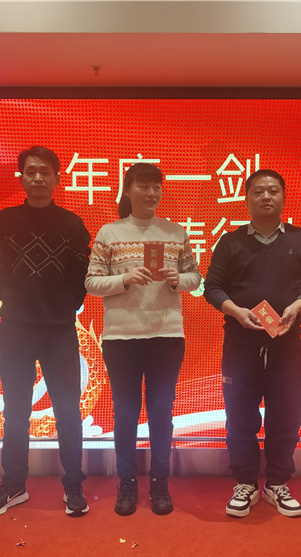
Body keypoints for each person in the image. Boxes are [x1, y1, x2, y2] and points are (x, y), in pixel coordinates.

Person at [203, 169, 301, 518]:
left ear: (283, 198)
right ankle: (245, 482)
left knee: (286, 417)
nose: (266, 197)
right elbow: (212, 287)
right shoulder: (230, 242)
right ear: (246, 199)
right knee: (239, 418)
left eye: (273, 191)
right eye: (258, 191)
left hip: (286, 347)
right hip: (240, 347)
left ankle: (276, 483)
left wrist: (297, 305)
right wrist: (235, 311)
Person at [0, 146, 91, 518]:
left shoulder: (72, 224)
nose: (38, 178)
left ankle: (73, 485)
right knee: (15, 411)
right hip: (15, 328)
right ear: (22, 178)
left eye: (45, 171)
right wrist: (18, 300)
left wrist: (63, 305)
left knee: (68, 411)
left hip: (59, 330)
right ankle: (13, 486)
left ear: (58, 178)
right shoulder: (5, 221)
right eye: (31, 172)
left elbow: (81, 274)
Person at [85, 162, 201, 516]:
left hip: (166, 335)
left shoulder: (175, 232)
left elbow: (196, 277)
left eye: (156, 187)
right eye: (144, 186)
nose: (152, 193)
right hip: (121, 337)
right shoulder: (109, 233)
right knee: (125, 412)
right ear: (128, 190)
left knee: (162, 412)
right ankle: (127, 483)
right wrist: (124, 279)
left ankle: (160, 482)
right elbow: (91, 282)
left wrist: (176, 279)